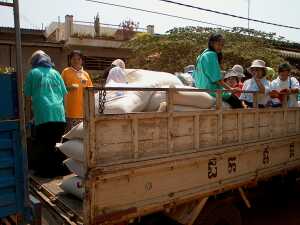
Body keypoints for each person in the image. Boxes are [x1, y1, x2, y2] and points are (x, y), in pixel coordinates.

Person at [24, 50, 68, 177]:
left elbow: (27, 96)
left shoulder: (33, 73)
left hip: (43, 114)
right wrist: (64, 111)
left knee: (43, 144)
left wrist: (27, 117)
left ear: (34, 62)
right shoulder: (56, 73)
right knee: (55, 143)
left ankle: (45, 172)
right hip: (59, 114)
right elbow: (64, 94)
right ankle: (56, 170)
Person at [192, 33, 243, 108]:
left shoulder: (200, 56)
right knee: (237, 102)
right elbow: (217, 79)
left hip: (201, 88)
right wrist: (230, 89)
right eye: (218, 44)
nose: (220, 47)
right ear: (212, 43)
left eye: (222, 45)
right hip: (212, 90)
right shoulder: (211, 55)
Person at [61, 50, 93, 130]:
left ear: (82, 60)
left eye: (78, 59)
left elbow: (91, 91)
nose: (76, 61)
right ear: (70, 60)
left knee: (82, 138)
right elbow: (59, 88)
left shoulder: (86, 74)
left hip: (83, 113)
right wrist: (68, 88)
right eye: (74, 59)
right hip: (69, 112)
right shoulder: (66, 72)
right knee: (69, 138)